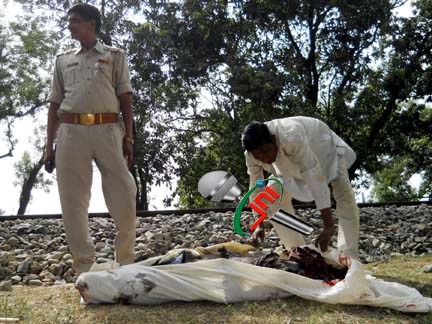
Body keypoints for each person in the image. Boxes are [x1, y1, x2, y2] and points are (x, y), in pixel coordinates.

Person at [43, 3, 137, 275]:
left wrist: (128, 138)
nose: (70, 25)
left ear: (92, 23)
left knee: (124, 192)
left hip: (108, 130)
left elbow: (125, 98)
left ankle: (126, 262)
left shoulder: (115, 56)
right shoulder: (63, 60)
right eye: (69, 20)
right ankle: (85, 267)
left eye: (75, 20)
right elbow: (54, 104)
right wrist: (49, 145)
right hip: (70, 132)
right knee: (72, 199)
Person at [242, 116, 359, 258]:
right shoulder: (251, 155)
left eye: (266, 151)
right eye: (259, 156)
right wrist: (258, 224)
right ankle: (299, 252)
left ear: (273, 138)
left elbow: (313, 176)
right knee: (272, 196)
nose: (264, 159)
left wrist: (328, 225)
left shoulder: (291, 135)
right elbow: (256, 188)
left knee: (344, 195)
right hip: (290, 167)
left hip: (326, 151)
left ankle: (348, 256)